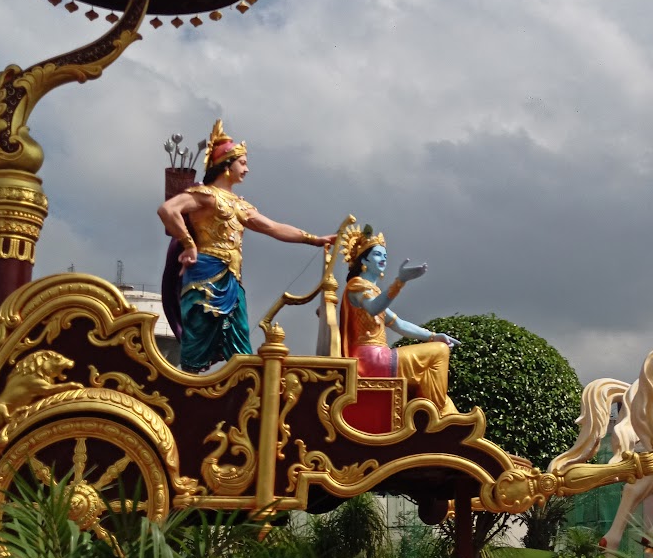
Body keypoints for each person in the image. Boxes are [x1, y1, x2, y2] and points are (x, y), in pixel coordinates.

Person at [157, 120, 334, 372]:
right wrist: (188, 244)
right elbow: (168, 210)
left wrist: (314, 239)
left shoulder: (241, 206)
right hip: (204, 274)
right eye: (242, 163)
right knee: (197, 337)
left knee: (239, 340)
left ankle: (243, 385)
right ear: (226, 165)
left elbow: (273, 227)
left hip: (232, 278)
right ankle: (188, 387)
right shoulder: (206, 195)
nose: (247, 169)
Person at [338, 224, 459, 410]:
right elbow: (373, 308)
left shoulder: (372, 291)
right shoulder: (357, 286)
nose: (383, 259)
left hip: (378, 358)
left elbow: (400, 325)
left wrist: (434, 336)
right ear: (364, 260)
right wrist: (400, 281)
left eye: (385, 256)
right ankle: (435, 412)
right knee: (440, 352)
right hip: (371, 359)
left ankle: (431, 407)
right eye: (377, 254)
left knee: (436, 351)